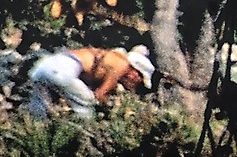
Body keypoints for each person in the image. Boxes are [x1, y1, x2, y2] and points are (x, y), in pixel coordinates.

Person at [25, 45, 153, 122]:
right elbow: (100, 95)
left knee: (38, 115)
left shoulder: (111, 58)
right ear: (136, 73)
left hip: (45, 65)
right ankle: (81, 142)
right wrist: (111, 111)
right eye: (139, 82)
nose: (135, 86)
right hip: (63, 69)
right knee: (87, 106)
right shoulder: (122, 65)